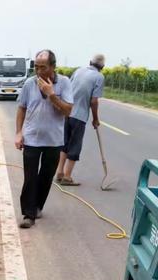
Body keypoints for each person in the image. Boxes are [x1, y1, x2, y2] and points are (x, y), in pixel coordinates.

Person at [15, 49, 74, 228]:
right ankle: (28, 214)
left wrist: (51, 94)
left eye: (43, 67)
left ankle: (38, 206)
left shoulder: (64, 83)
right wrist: (18, 133)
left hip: (54, 140)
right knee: (30, 177)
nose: (39, 71)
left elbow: (67, 110)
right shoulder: (29, 84)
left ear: (53, 67)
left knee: (46, 176)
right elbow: (22, 108)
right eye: (36, 67)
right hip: (32, 138)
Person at [56, 54, 106, 186]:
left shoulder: (79, 70)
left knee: (64, 143)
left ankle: (59, 173)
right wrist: (95, 119)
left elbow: (67, 88)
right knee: (75, 145)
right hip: (79, 116)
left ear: (90, 62)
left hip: (67, 112)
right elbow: (94, 101)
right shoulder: (99, 77)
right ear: (102, 67)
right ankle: (67, 177)